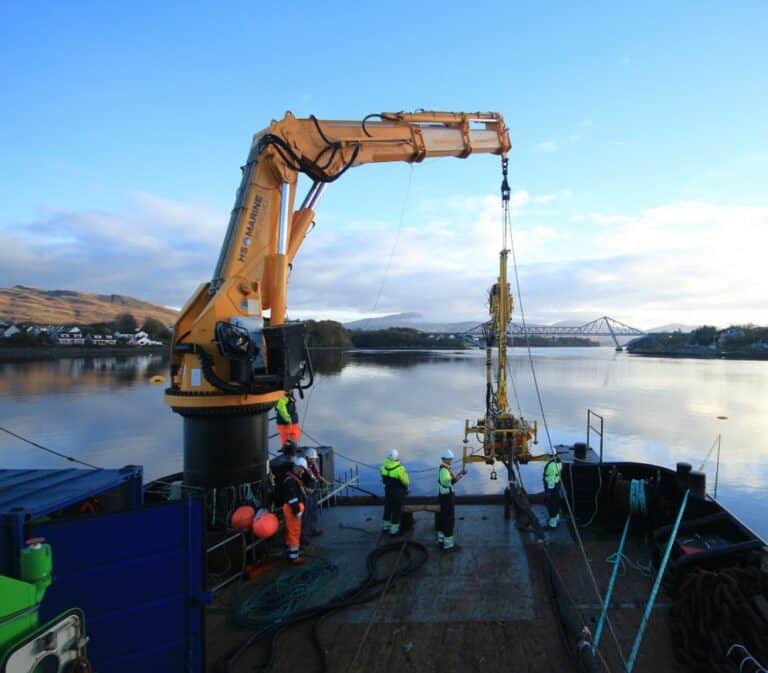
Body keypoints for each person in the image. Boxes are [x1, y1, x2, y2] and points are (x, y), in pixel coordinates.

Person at [437, 449, 464, 552]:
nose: (451, 460)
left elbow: (449, 481)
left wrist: (458, 476)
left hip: (444, 497)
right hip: (447, 499)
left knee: (443, 518)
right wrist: (457, 478)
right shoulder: (444, 470)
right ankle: (448, 545)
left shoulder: (446, 468)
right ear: (444, 459)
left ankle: (441, 539)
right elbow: (446, 482)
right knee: (449, 520)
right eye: (449, 459)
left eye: (451, 459)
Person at [282, 457, 308, 564]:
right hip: (292, 509)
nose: (303, 471)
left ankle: (292, 551)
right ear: (297, 467)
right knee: (294, 532)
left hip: (293, 508)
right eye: (302, 469)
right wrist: (297, 511)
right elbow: (292, 497)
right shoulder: (291, 481)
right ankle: (294, 557)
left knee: (291, 531)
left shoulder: (292, 479)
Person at [380, 449, 410, 536]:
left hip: (388, 491)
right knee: (397, 510)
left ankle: (386, 528)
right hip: (398, 492)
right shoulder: (400, 469)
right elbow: (406, 481)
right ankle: (394, 531)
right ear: (397, 457)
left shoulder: (383, 467)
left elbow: (383, 476)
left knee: (388, 508)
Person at [302, 448, 329, 538]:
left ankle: (313, 529)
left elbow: (317, 476)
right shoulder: (303, 468)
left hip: (314, 492)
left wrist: (325, 481)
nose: (315, 460)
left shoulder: (313, 465)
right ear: (308, 458)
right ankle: (304, 535)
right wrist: (306, 489)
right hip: (307, 495)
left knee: (313, 512)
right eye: (313, 458)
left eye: (315, 459)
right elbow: (298, 482)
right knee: (307, 514)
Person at [543, 455, 563, 529]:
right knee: (556, 504)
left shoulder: (551, 466)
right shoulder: (559, 462)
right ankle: (557, 520)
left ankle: (552, 524)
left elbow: (551, 480)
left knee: (551, 506)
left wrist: (548, 493)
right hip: (557, 486)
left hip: (552, 488)